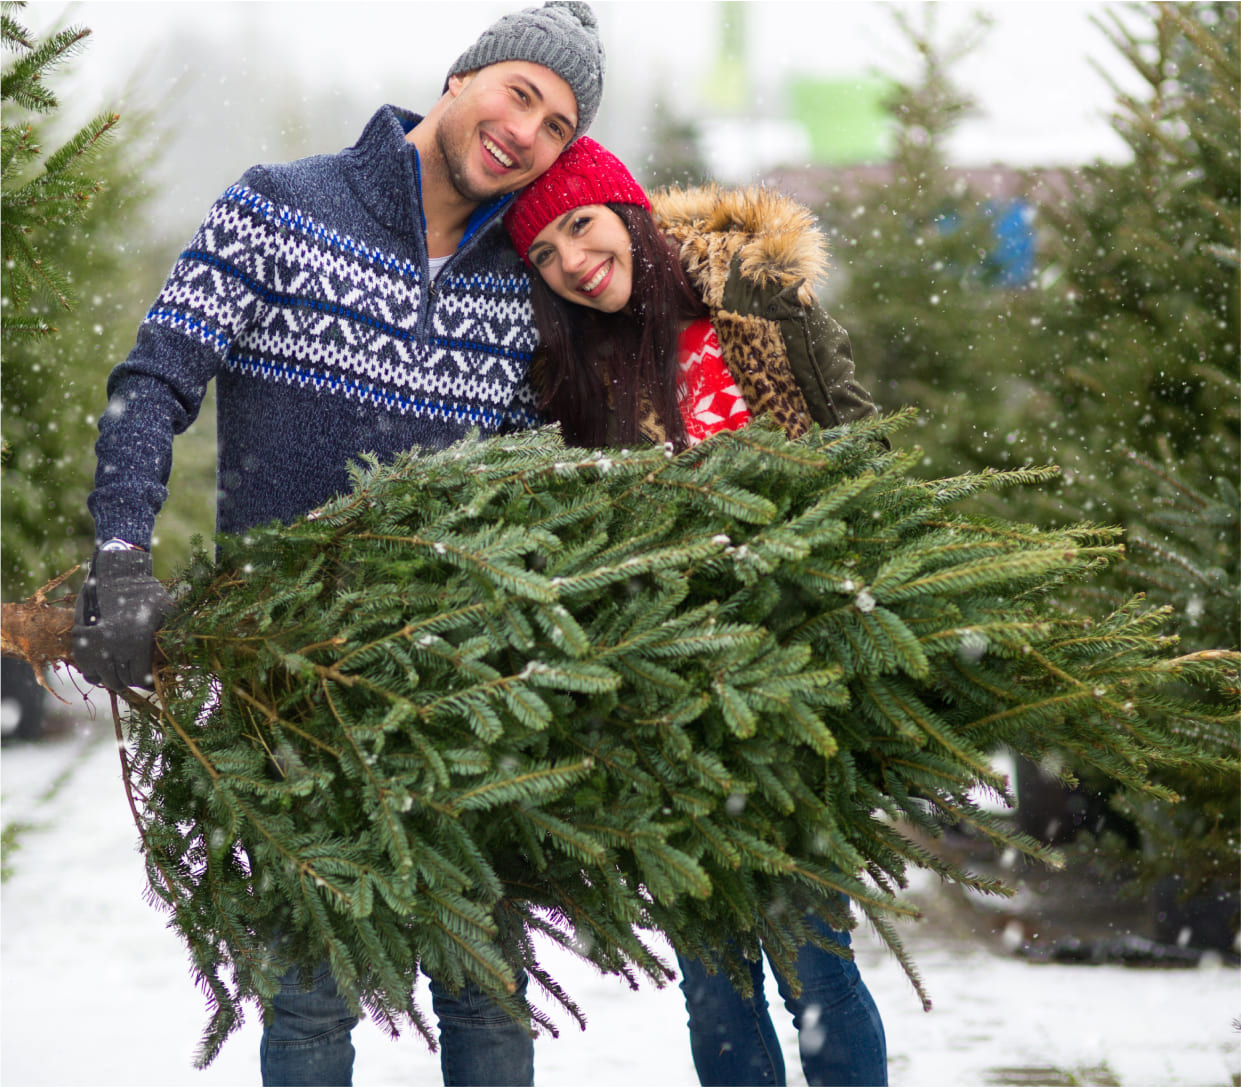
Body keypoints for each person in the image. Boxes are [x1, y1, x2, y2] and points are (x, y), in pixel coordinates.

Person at [70, 4, 605, 1085]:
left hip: (466, 694)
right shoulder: (277, 207)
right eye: (517, 92)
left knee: (488, 1006)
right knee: (308, 1010)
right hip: (295, 688)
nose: (524, 133)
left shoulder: (523, 283)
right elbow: (153, 381)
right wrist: (122, 549)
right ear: (460, 78)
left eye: (556, 125)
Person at [503, 137, 888, 1086]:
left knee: (815, 964)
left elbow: (853, 447)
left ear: (626, 210)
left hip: (793, 676)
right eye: (543, 257)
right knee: (714, 981)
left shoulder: (757, 301)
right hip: (665, 698)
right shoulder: (571, 372)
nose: (571, 264)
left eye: (580, 227)